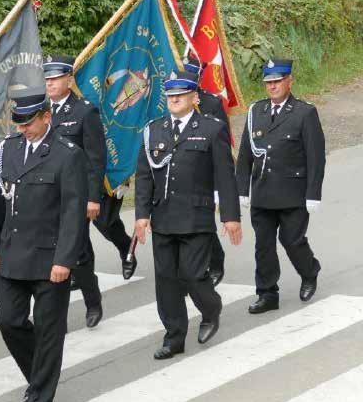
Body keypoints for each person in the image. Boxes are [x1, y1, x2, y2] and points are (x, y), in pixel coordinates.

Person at [0, 87, 88, 402]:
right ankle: (37, 375)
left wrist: (65, 260)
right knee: (8, 320)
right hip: (13, 253)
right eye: (19, 123)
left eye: (29, 122)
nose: (22, 129)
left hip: (49, 259)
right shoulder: (9, 150)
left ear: (47, 117)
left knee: (48, 330)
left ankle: (41, 399)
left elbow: (73, 212)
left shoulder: (66, 154)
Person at [134, 71, 242, 360]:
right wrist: (141, 215)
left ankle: (210, 309)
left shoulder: (211, 128)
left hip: (196, 216)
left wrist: (230, 216)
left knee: (193, 276)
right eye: (170, 96)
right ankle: (174, 336)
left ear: (195, 98)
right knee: (166, 280)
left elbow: (225, 176)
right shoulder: (153, 130)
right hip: (164, 216)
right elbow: (145, 176)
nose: (174, 100)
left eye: (180, 95)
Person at [236, 59, 325, 313]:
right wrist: (242, 188)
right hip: (263, 191)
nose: (272, 86)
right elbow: (245, 155)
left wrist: (313, 194)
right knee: (263, 245)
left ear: (289, 81)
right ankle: (267, 293)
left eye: (277, 81)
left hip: (293, 193)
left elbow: (316, 157)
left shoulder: (304, 112)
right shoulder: (256, 112)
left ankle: (309, 271)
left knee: (292, 240)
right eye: (268, 82)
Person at [44, 54, 106, 327]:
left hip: (75, 195)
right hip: (46, 194)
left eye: (56, 78)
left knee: (78, 253)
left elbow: (95, 158)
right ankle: (56, 315)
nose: (50, 83)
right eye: (47, 78)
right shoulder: (40, 111)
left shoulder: (84, 111)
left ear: (69, 79)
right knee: (48, 252)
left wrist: (93, 197)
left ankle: (93, 302)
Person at [184, 58, 230, 286]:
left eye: (192, 75)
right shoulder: (171, 100)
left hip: (205, 171)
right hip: (181, 171)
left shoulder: (211, 103)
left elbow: (220, 141)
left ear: (199, 78)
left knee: (202, 219)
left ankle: (215, 260)